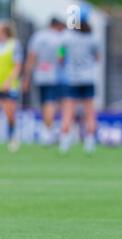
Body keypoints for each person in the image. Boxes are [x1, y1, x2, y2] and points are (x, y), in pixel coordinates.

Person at [23, 17, 66, 146]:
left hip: (39, 74)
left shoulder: (37, 36)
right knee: (51, 102)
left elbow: (31, 57)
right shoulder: (60, 39)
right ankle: (49, 131)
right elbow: (61, 57)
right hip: (54, 75)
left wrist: (26, 77)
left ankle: (47, 130)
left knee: (44, 102)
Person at [59, 21, 99, 154]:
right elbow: (97, 57)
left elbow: (60, 55)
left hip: (72, 79)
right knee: (89, 113)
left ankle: (64, 143)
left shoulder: (66, 38)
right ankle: (89, 143)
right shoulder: (92, 39)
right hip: (88, 78)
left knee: (68, 112)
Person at [0, 21, 23, 152]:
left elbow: (17, 65)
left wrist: (9, 81)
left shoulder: (14, 45)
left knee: (9, 113)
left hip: (9, 85)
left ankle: (12, 137)